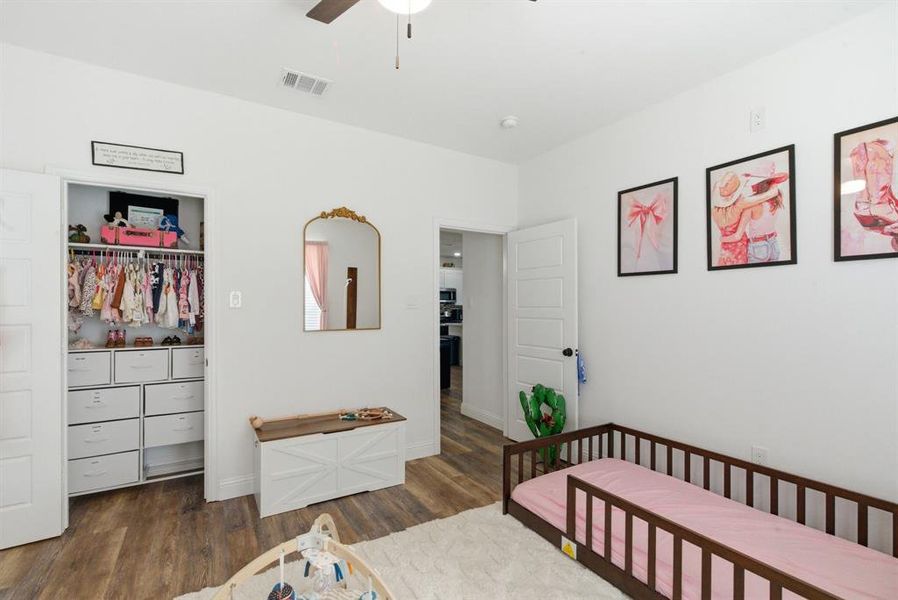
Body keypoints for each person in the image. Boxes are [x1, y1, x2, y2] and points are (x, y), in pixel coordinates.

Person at [710, 171, 784, 266]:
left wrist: (721, 239)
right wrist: (773, 182)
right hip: (773, 243)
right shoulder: (776, 202)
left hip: (747, 247)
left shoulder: (715, 211)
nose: (752, 186)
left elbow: (737, 236)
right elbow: (772, 193)